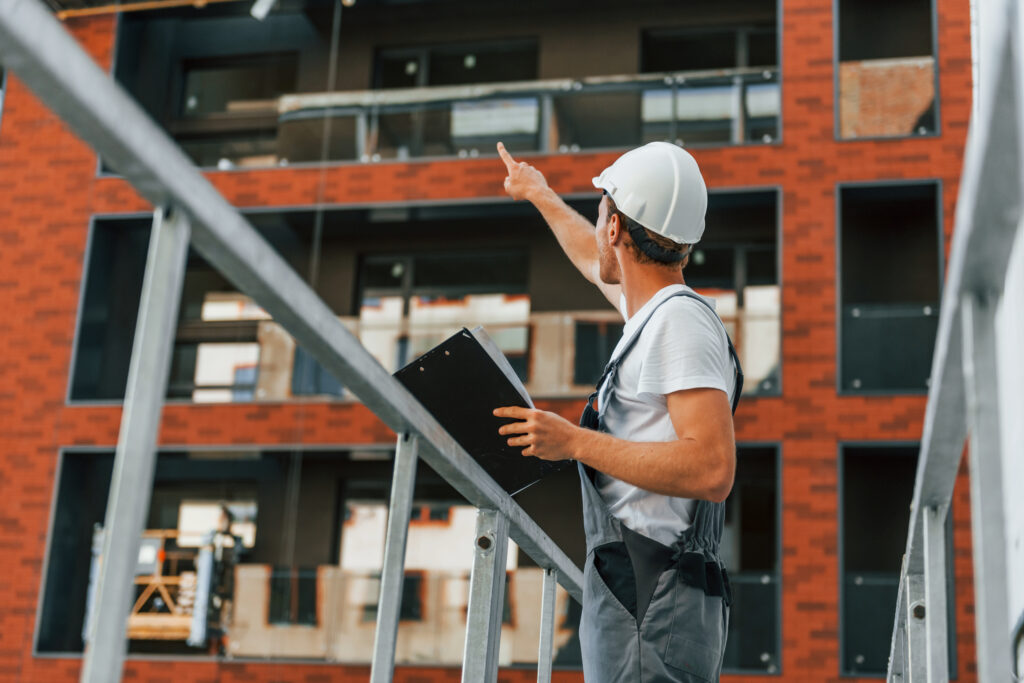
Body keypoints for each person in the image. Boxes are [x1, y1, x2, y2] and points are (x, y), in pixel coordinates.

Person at [493, 141, 742, 682]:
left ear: (616, 230)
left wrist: (575, 442)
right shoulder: (656, 315)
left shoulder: (679, 323)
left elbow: (711, 469)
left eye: (603, 208)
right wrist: (539, 193)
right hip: (642, 595)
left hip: (651, 599)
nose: (598, 221)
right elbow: (592, 258)